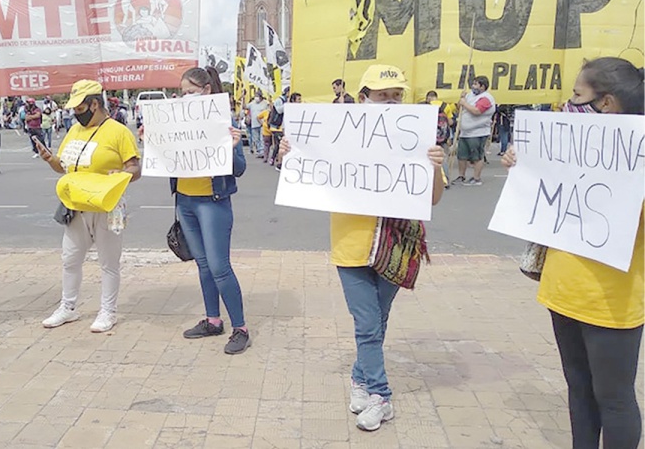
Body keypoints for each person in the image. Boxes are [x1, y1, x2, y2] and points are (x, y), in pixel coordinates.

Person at [279, 64, 446, 432]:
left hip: (396, 245)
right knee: (368, 323)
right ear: (364, 98)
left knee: (377, 322)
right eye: (382, 96)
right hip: (351, 246)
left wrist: (435, 166)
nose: (390, 103)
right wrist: (292, 150)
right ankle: (381, 396)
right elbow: (304, 172)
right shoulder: (338, 133)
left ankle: (359, 378)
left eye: (397, 96)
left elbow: (432, 198)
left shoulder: (417, 140)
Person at [502, 57, 644, 449]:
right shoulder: (567, 146)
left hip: (613, 305)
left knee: (614, 398)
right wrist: (522, 163)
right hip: (563, 293)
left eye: (577, 95)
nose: (568, 103)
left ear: (607, 104)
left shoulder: (638, 157)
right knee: (579, 389)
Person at [37, 80, 141, 333]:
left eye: (80, 107)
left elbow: (135, 167)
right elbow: (62, 166)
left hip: (107, 206)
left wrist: (122, 174)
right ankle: (68, 307)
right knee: (70, 259)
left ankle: (108, 311)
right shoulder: (74, 131)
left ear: (95, 104)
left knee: (108, 262)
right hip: (76, 206)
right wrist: (50, 159)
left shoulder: (118, 131)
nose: (75, 113)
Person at [173, 67, 250, 354]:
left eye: (191, 93)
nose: (185, 99)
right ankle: (213, 320)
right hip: (185, 201)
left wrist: (232, 147)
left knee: (219, 267)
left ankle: (240, 328)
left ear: (206, 91)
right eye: (182, 94)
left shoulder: (223, 121)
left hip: (212, 200)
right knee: (203, 265)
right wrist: (153, 140)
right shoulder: (177, 121)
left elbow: (240, 169)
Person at [455, 76, 495, 186]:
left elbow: (477, 111)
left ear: (482, 86)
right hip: (465, 132)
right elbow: (460, 108)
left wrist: (464, 103)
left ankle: (476, 178)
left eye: (476, 84)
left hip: (477, 132)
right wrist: (461, 100)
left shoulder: (486, 98)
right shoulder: (469, 96)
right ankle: (461, 176)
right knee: (462, 155)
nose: (473, 86)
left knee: (476, 156)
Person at [246, 91, 268, 157]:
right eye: (255, 96)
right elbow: (245, 107)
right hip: (254, 124)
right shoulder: (252, 103)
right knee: (256, 139)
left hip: (262, 124)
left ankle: (262, 151)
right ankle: (259, 151)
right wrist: (243, 98)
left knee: (262, 138)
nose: (256, 98)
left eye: (257, 96)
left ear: (261, 97)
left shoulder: (265, 103)